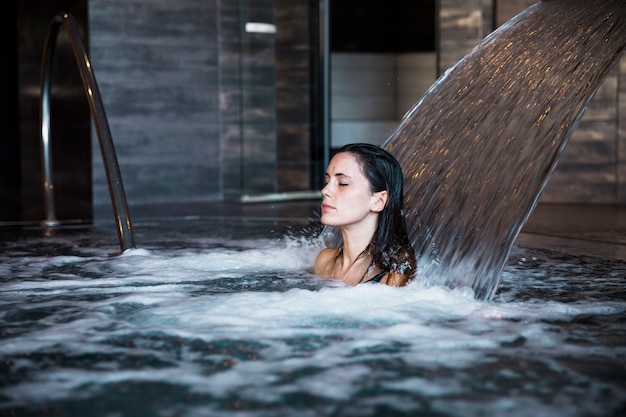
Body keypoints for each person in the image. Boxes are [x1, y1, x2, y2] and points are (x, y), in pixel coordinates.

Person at [314, 143, 416, 287]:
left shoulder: (392, 278)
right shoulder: (324, 261)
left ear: (379, 201)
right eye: (327, 181)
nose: (325, 190)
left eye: (342, 183)